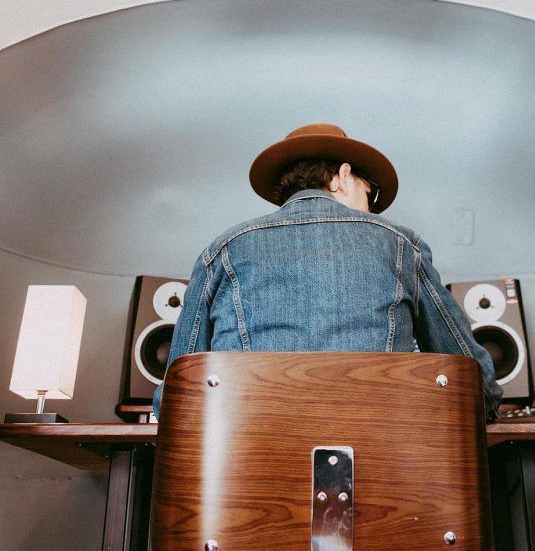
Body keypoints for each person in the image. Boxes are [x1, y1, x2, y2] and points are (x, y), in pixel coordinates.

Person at [153, 123, 502, 419]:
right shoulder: (401, 245)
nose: (372, 211)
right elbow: (474, 378)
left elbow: (173, 394)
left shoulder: (222, 250)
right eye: (371, 195)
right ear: (343, 177)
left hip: (246, 471)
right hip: (383, 468)